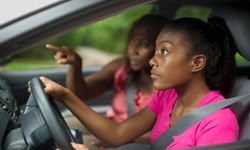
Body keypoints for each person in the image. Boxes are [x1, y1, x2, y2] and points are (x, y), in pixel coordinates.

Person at [38, 17, 239, 150]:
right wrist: (65, 95)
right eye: (156, 51)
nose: (153, 60)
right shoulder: (167, 97)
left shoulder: (217, 123)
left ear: (196, 62)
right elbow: (117, 134)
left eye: (164, 52)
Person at [46, 14, 168, 147]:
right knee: (53, 128)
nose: (133, 50)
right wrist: (75, 65)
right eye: (132, 41)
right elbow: (81, 93)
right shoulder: (121, 68)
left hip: (129, 140)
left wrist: (110, 135)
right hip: (112, 130)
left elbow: (163, 135)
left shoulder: (168, 88)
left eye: (144, 44)